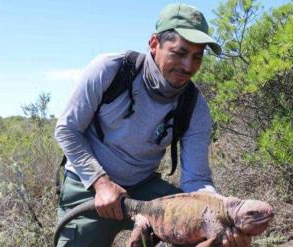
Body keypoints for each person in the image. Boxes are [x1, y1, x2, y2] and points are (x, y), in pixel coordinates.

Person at [55, 3, 250, 247]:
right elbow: (67, 129)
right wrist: (101, 183)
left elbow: (196, 178)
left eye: (197, 56)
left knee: (209, 231)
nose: (189, 66)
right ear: (154, 44)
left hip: (143, 188)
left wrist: (219, 210)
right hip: (88, 184)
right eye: (179, 53)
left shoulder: (194, 106)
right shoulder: (110, 70)